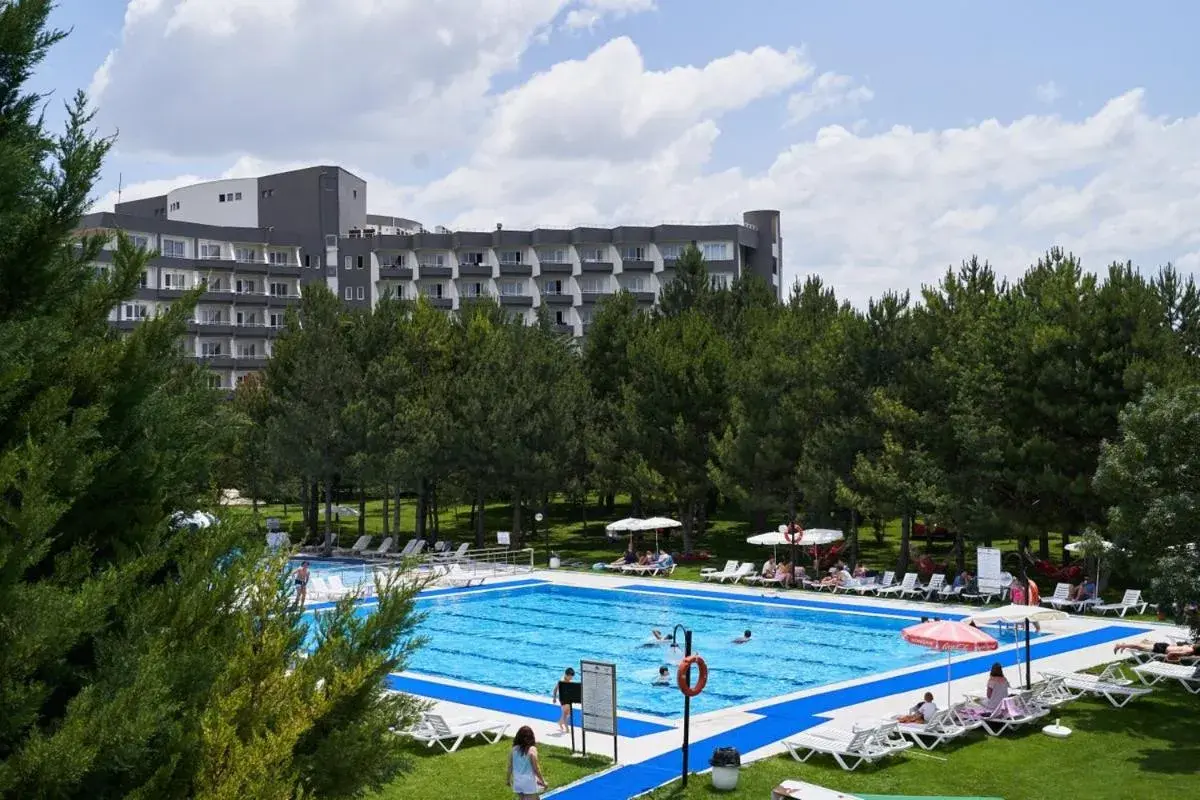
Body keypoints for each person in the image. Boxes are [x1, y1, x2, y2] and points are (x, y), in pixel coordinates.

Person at [507, 725, 547, 799]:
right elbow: (536, 768)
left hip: (518, 781)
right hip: (529, 783)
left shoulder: (514, 749)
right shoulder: (532, 750)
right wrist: (543, 781)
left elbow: (510, 766)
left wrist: (508, 779)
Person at [1114, 640, 1200, 661]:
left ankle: (1124, 645)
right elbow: (1171, 653)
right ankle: (1120, 645)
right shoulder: (1189, 652)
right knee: (1139, 646)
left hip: (1166, 645)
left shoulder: (1191, 647)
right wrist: (1174, 659)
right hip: (1162, 649)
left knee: (1140, 646)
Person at [551, 667, 575, 734]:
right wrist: (554, 698)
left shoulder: (568, 680)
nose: (571, 678)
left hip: (567, 698)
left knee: (569, 713)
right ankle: (567, 729)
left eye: (572, 677)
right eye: (570, 677)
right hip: (563, 699)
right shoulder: (561, 681)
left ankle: (560, 722)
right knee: (565, 714)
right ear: (566, 675)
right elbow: (555, 689)